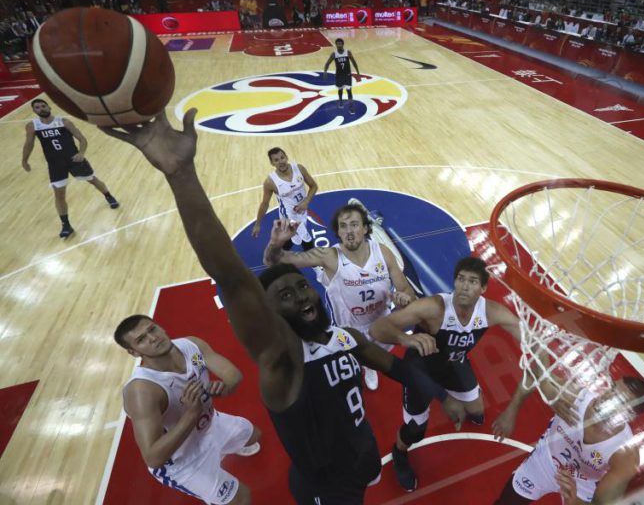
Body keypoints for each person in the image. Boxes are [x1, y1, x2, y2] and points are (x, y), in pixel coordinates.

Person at [100, 110, 464, 504]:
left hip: (364, 454)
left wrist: (443, 396)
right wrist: (180, 174)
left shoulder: (343, 337)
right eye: (285, 297)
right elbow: (231, 275)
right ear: (271, 314)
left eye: (301, 289)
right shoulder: (282, 362)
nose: (302, 296)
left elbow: (396, 367)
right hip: (327, 486)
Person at [368, 257, 525, 492]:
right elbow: (376, 328)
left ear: (483, 289)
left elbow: (533, 348)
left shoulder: (492, 312)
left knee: (477, 410)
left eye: (472, 281)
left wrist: (513, 409)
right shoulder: (434, 307)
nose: (464, 286)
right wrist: (407, 339)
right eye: (461, 279)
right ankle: (399, 452)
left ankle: (462, 399)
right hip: (421, 371)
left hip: (454, 364)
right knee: (415, 431)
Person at [264, 202, 417, 391]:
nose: (349, 231)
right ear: (338, 232)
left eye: (354, 224)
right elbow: (272, 260)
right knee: (350, 364)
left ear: (365, 228)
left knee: (384, 362)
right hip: (350, 329)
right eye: (343, 226)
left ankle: (369, 366)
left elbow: (407, 290)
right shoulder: (329, 255)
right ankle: (361, 364)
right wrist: (276, 243)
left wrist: (405, 299)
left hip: (382, 325)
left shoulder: (383, 253)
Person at [117, 315, 262, 504]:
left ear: (160, 327)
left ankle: (221, 450)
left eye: (152, 329)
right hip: (181, 460)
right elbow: (153, 457)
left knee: (254, 435)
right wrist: (192, 414)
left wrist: (224, 388)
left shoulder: (191, 345)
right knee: (242, 499)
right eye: (141, 340)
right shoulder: (142, 391)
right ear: (133, 352)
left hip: (209, 424)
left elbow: (234, 376)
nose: (153, 338)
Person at [493, 376, 644, 505]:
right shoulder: (576, 397)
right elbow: (533, 374)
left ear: (630, 416)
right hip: (546, 460)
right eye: (612, 388)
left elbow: (602, 503)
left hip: (582, 483)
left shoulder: (625, 454)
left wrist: (575, 502)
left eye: (619, 400)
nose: (607, 397)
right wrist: (511, 411)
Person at [21, 99, 119, 238]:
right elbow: (28, 144)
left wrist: (81, 153)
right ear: (34, 111)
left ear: (49, 107)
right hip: (55, 164)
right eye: (37, 107)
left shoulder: (64, 122)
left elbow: (82, 139)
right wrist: (25, 160)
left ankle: (109, 196)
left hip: (73, 160)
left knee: (92, 179)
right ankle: (66, 225)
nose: (41, 108)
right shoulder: (32, 126)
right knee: (59, 194)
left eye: (43, 106)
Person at [251, 147, 318, 252]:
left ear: (286, 157)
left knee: (294, 239)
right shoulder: (270, 182)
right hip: (288, 215)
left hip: (302, 210)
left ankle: (276, 254)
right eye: (276, 160)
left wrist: (306, 201)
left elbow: (314, 186)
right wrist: (258, 224)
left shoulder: (299, 168)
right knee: (305, 237)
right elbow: (264, 204)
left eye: (282, 158)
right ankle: (316, 265)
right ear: (272, 163)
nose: (280, 161)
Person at [323, 38, 361, 114]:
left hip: (347, 74)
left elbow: (354, 62)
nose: (339, 45)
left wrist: (358, 73)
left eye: (340, 43)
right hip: (339, 75)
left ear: (343, 44)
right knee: (340, 89)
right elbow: (327, 63)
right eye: (337, 44)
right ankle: (340, 100)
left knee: (349, 91)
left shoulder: (348, 52)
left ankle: (351, 106)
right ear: (336, 45)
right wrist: (325, 72)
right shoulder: (334, 54)